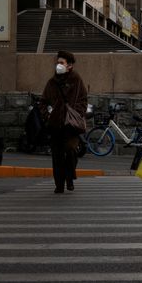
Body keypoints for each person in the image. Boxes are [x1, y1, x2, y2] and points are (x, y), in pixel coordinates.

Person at [41, 50, 88, 194]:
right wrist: (47, 115)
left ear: (69, 66)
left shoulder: (76, 80)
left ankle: (69, 176)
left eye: (61, 63)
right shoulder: (52, 82)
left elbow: (83, 100)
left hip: (71, 126)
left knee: (71, 149)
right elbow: (43, 102)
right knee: (57, 155)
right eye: (58, 62)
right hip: (55, 124)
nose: (58, 65)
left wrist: (76, 113)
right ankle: (59, 185)